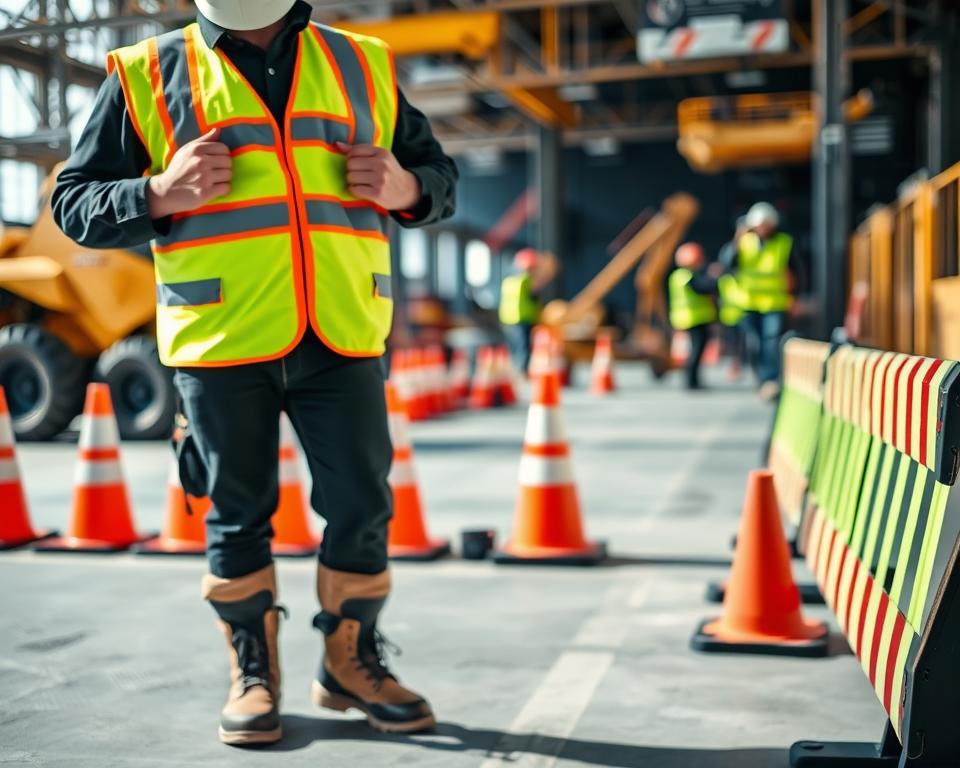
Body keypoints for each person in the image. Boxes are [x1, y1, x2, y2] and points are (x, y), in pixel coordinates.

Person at [52, 0, 457, 746]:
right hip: (221, 336)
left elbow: (439, 175)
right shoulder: (146, 73)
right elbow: (72, 203)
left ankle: (349, 663)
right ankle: (252, 671)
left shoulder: (359, 62)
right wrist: (156, 193)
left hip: (339, 332)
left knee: (364, 506)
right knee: (238, 516)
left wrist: (406, 188)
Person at [735, 202, 794, 400]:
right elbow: (727, 263)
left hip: (773, 302)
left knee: (771, 341)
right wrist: (737, 240)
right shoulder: (743, 242)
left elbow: (796, 271)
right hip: (749, 303)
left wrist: (795, 297)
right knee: (755, 342)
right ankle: (759, 378)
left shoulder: (783, 243)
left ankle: (770, 381)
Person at [668, 242, 718, 390]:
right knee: (696, 351)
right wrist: (715, 278)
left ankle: (692, 380)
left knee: (694, 350)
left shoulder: (678, 275)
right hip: (694, 318)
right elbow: (703, 288)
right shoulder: (688, 276)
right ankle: (691, 381)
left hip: (686, 318)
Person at [498, 248, 542, 372]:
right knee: (523, 348)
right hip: (524, 319)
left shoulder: (509, 281)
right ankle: (522, 371)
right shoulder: (527, 280)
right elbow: (534, 297)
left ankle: (515, 370)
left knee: (514, 347)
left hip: (508, 319)